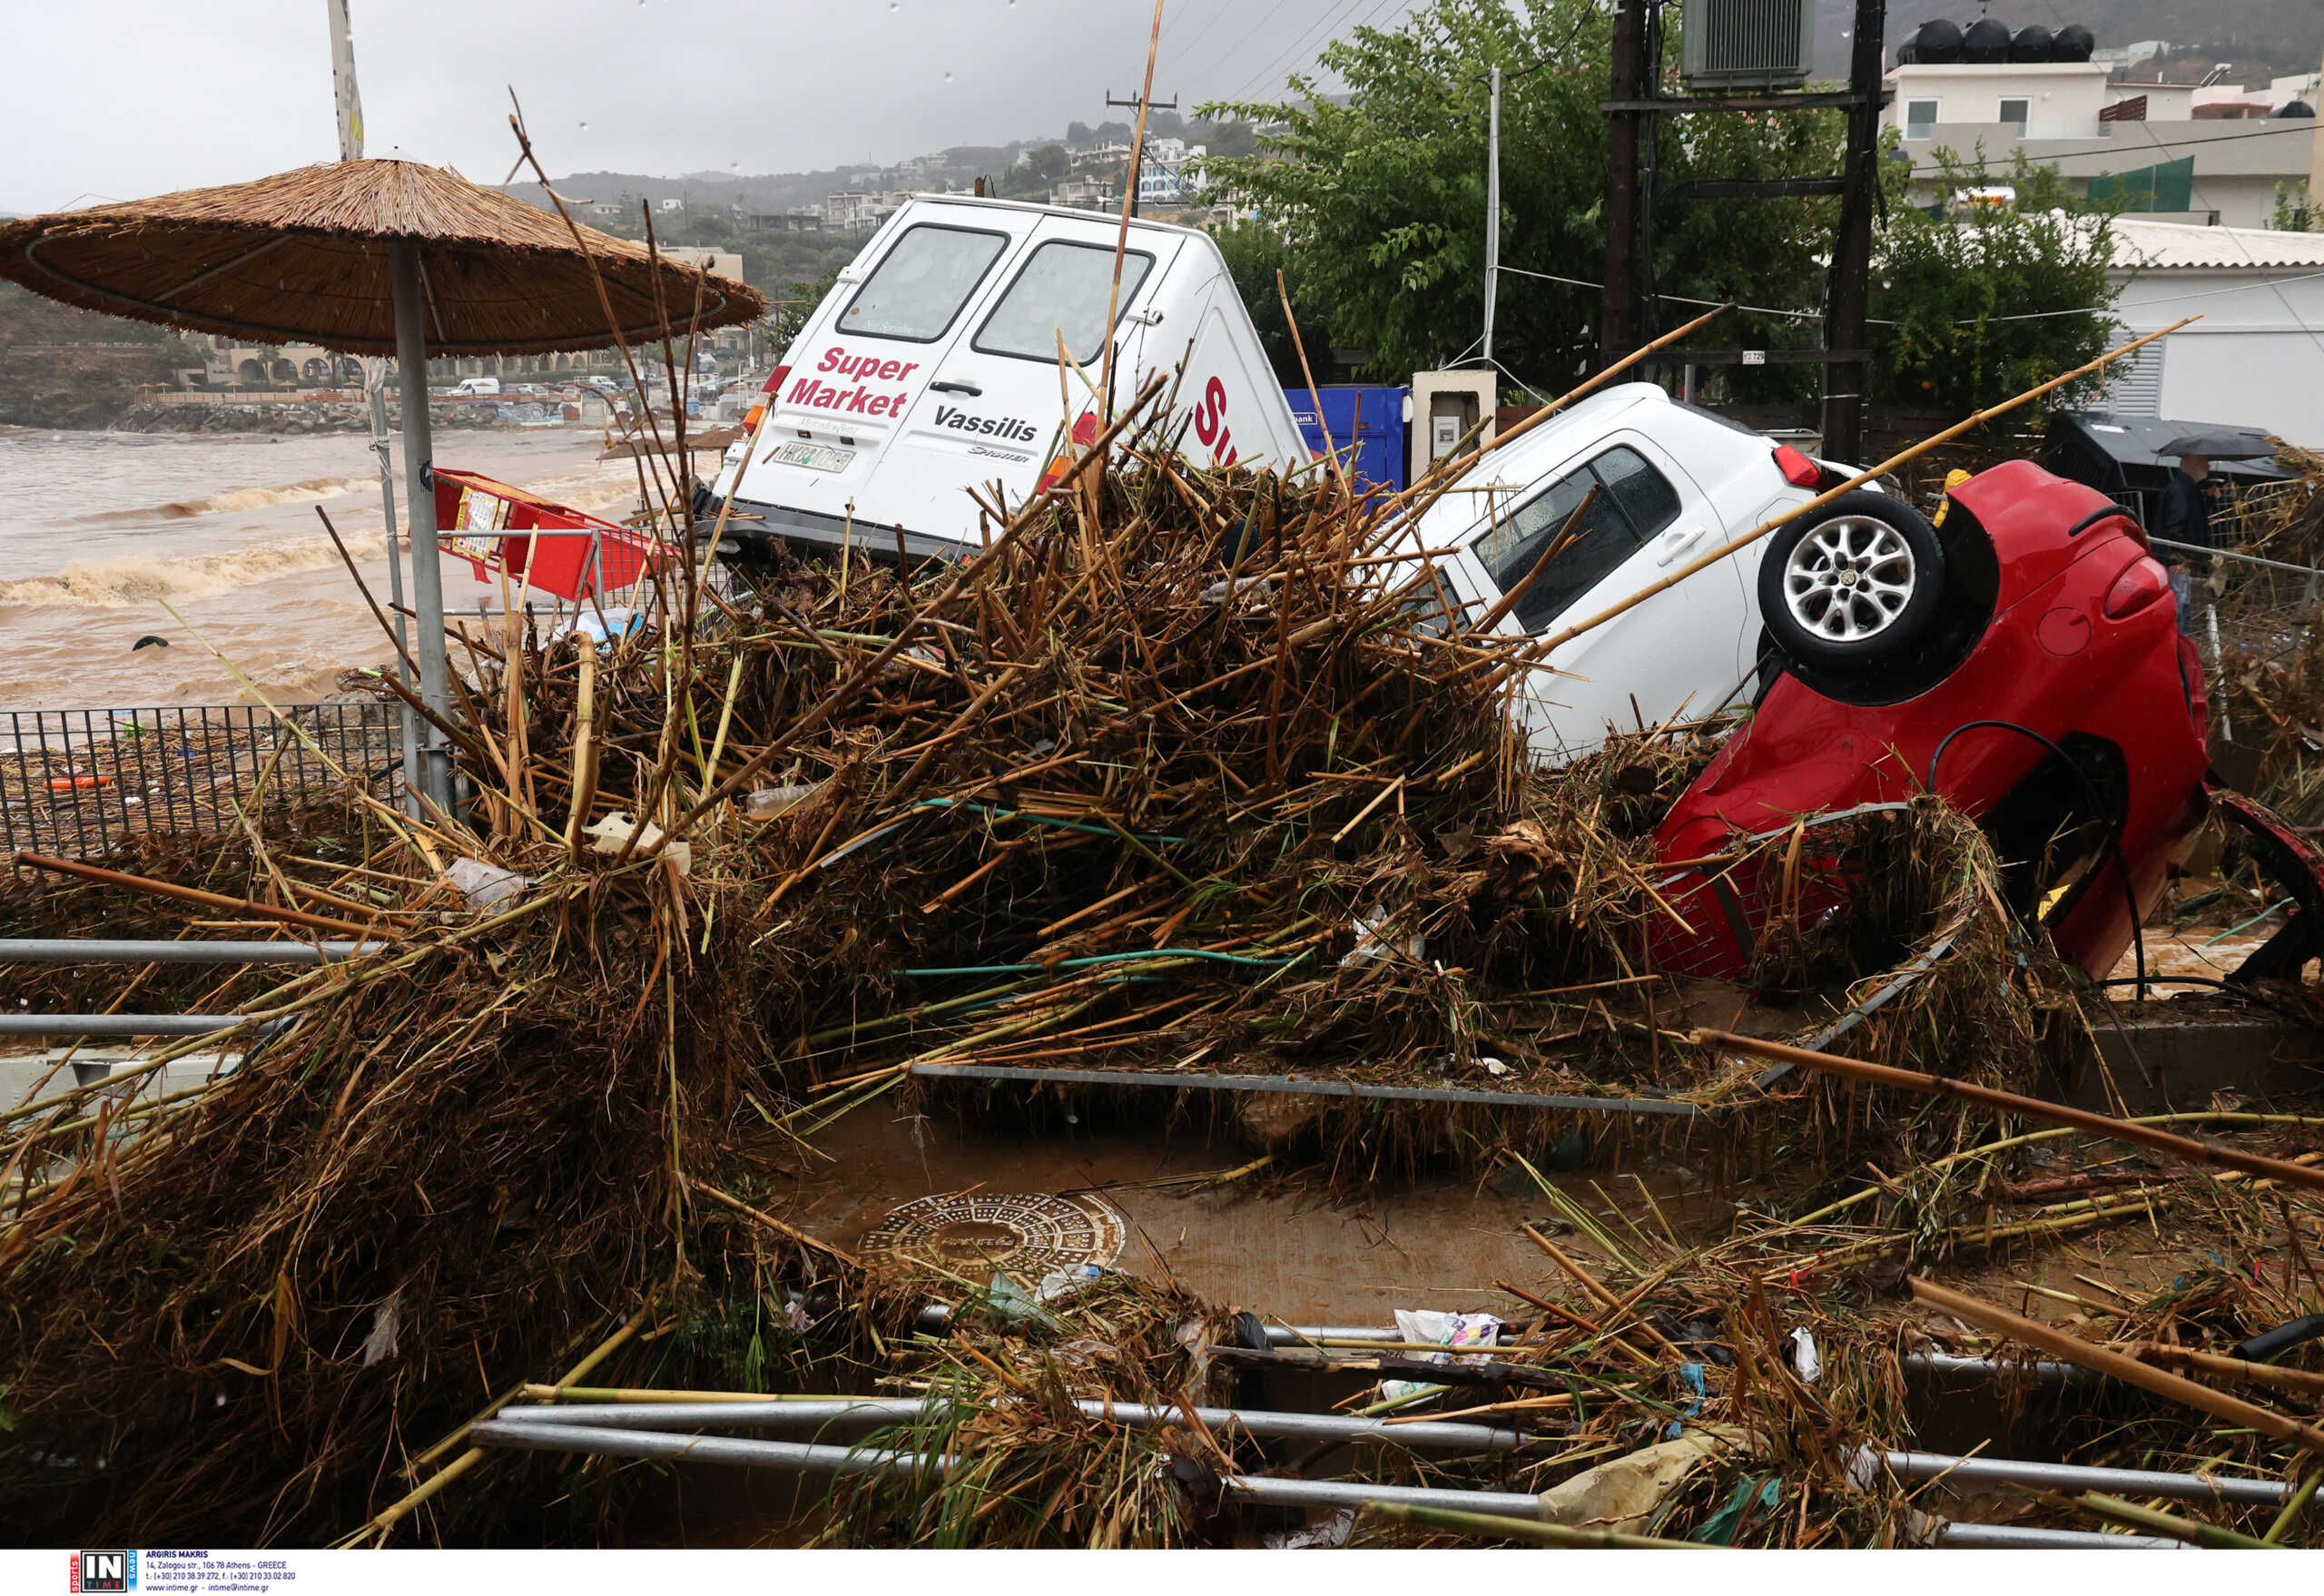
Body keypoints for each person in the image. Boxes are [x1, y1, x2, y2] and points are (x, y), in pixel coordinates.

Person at [2153, 449, 2215, 636]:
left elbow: (2191, 520)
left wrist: (2210, 500)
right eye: (2205, 460)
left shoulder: (2186, 488)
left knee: (2182, 606)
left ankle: (2179, 650)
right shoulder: (2181, 490)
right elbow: (2175, 526)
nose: (2209, 465)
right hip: (2177, 563)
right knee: (2178, 609)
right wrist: (2178, 559)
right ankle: (2176, 651)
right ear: (2193, 463)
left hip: (2181, 561)